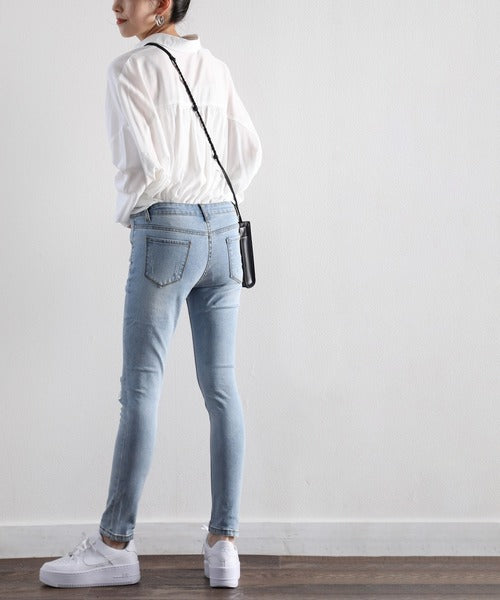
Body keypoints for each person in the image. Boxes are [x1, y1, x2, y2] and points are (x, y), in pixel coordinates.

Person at [39, 0, 262, 589]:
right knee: (222, 387)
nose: (116, 5)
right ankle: (224, 545)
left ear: (163, 5)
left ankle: (115, 544)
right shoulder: (215, 67)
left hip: (167, 229)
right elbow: (248, 151)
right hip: (225, 229)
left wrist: (148, 213)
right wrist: (213, 200)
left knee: (141, 388)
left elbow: (141, 165)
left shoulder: (129, 69)